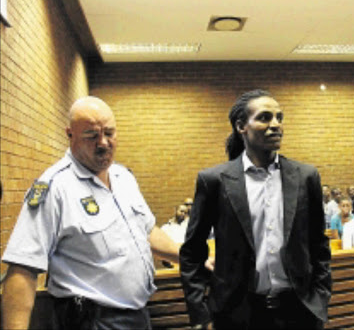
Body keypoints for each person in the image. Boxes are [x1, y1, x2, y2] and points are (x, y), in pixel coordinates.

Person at [1, 96, 181, 330]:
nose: (103, 142)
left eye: (109, 132)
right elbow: (22, 269)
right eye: (91, 135)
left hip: (137, 315)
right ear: (70, 135)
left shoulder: (123, 177)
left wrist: (191, 259)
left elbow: (147, 232)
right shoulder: (54, 188)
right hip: (90, 321)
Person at [179, 89, 331, 330]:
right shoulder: (215, 181)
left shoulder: (305, 177)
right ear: (241, 126)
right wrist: (201, 314)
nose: (276, 125)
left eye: (279, 117)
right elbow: (191, 253)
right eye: (265, 117)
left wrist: (320, 299)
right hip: (237, 316)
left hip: (299, 312)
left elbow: (318, 245)